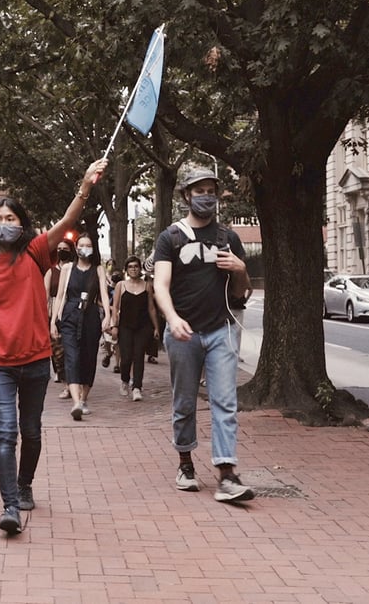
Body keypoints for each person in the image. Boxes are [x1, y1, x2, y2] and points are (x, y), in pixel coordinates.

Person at [0, 158, 107, 536]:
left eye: (11, 218)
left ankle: (25, 484)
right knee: (5, 432)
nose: (4, 224)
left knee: (32, 431)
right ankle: (10, 505)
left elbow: (66, 223)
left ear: (22, 224)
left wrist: (86, 185)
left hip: (37, 361)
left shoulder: (36, 252)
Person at [153, 163, 254, 503]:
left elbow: (242, 292)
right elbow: (160, 284)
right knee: (184, 402)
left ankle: (227, 474)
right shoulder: (171, 238)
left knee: (224, 401)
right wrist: (171, 317)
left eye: (211, 193)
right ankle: (185, 463)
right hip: (184, 334)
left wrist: (241, 269)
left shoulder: (229, 238)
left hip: (222, 330)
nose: (207, 198)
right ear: (186, 196)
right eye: (200, 192)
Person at [51, 233, 112, 420]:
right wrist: (54, 320)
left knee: (88, 357)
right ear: (76, 248)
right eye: (82, 245)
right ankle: (76, 402)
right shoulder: (68, 269)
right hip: (70, 315)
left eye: (89, 245)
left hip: (91, 316)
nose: (85, 248)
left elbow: (103, 294)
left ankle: (84, 398)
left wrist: (108, 316)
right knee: (72, 357)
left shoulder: (98, 270)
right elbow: (60, 296)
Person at [109, 255, 159, 402]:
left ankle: (137, 387)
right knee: (126, 358)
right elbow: (115, 307)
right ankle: (125, 380)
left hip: (143, 327)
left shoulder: (147, 285)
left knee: (139, 356)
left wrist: (156, 327)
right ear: (126, 269)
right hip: (125, 326)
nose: (133, 269)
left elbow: (151, 308)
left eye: (136, 266)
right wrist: (114, 326)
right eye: (130, 267)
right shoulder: (121, 286)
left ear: (140, 268)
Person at [44, 237, 75, 396]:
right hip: (55, 311)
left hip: (72, 311)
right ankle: (65, 382)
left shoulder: (74, 269)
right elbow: (46, 294)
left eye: (65, 248)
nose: (61, 251)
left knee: (72, 350)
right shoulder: (51, 271)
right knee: (58, 351)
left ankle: (73, 384)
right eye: (59, 248)